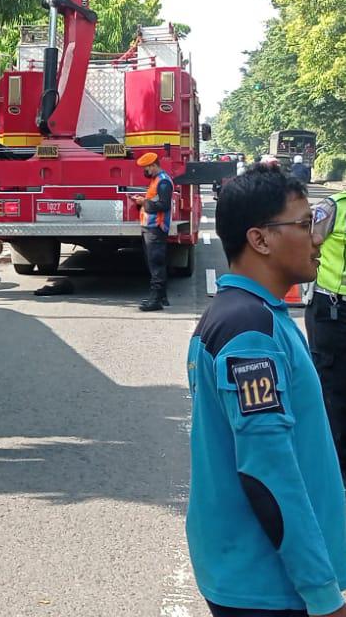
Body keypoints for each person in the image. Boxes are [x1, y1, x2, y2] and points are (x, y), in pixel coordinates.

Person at [186, 164, 346, 617]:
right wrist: (322, 594)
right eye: (304, 224)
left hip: (255, 575)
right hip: (267, 587)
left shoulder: (255, 315)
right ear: (261, 240)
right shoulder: (249, 332)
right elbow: (269, 474)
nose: (318, 238)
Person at [304, 191, 346, 477]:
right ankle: (332, 473)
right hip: (333, 311)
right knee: (332, 392)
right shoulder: (333, 207)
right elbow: (308, 243)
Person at [131, 151, 174, 312]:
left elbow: (164, 205)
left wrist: (144, 202)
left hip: (156, 228)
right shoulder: (156, 180)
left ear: (153, 166)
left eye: (146, 168)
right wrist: (141, 201)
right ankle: (161, 297)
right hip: (150, 228)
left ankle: (155, 300)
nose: (144, 171)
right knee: (154, 262)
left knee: (156, 263)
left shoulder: (163, 182)